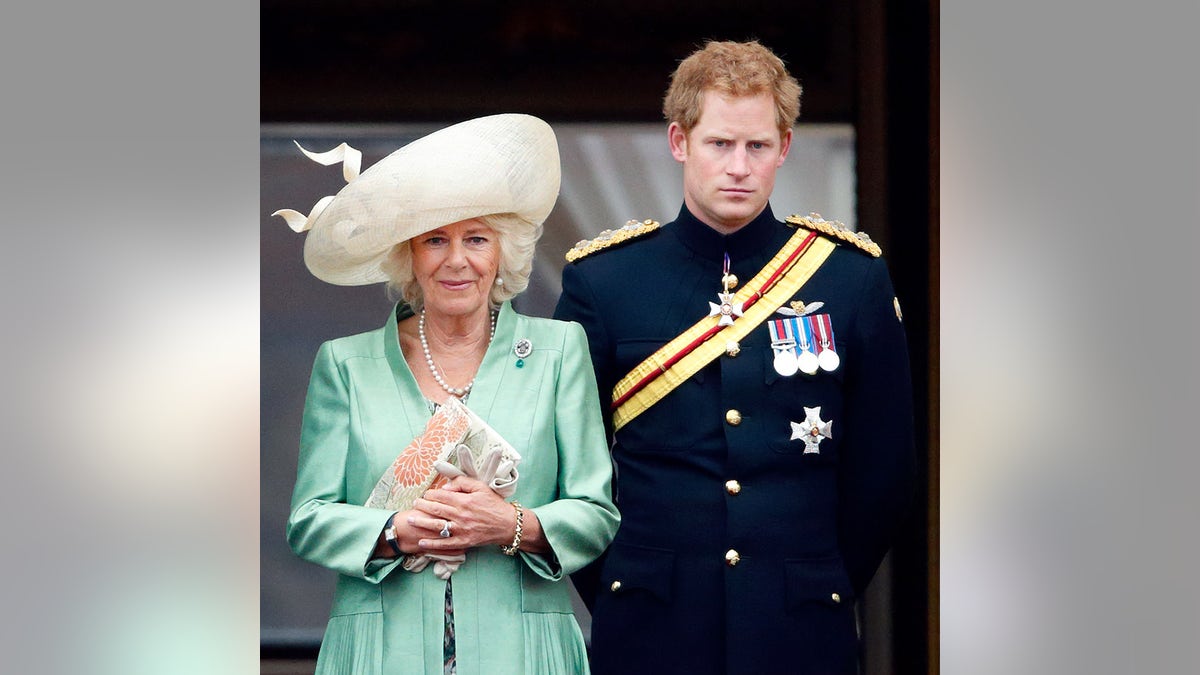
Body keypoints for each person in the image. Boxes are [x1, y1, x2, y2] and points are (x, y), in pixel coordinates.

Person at [553, 40, 917, 674]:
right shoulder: (606, 282)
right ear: (679, 142)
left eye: (757, 146)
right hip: (648, 623)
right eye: (720, 144)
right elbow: (565, 458)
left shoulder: (850, 278)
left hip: (800, 624)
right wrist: (622, 584)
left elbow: (884, 472)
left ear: (784, 149)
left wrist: (818, 583)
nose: (739, 167)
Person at [277, 113, 620, 675]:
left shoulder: (559, 351)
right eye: (435, 239)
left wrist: (509, 525)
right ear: (408, 255)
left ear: (502, 253)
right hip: (382, 652)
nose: (456, 259)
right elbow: (309, 519)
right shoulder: (345, 363)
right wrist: (395, 531)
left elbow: (594, 513)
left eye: (476, 239)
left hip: (525, 652)